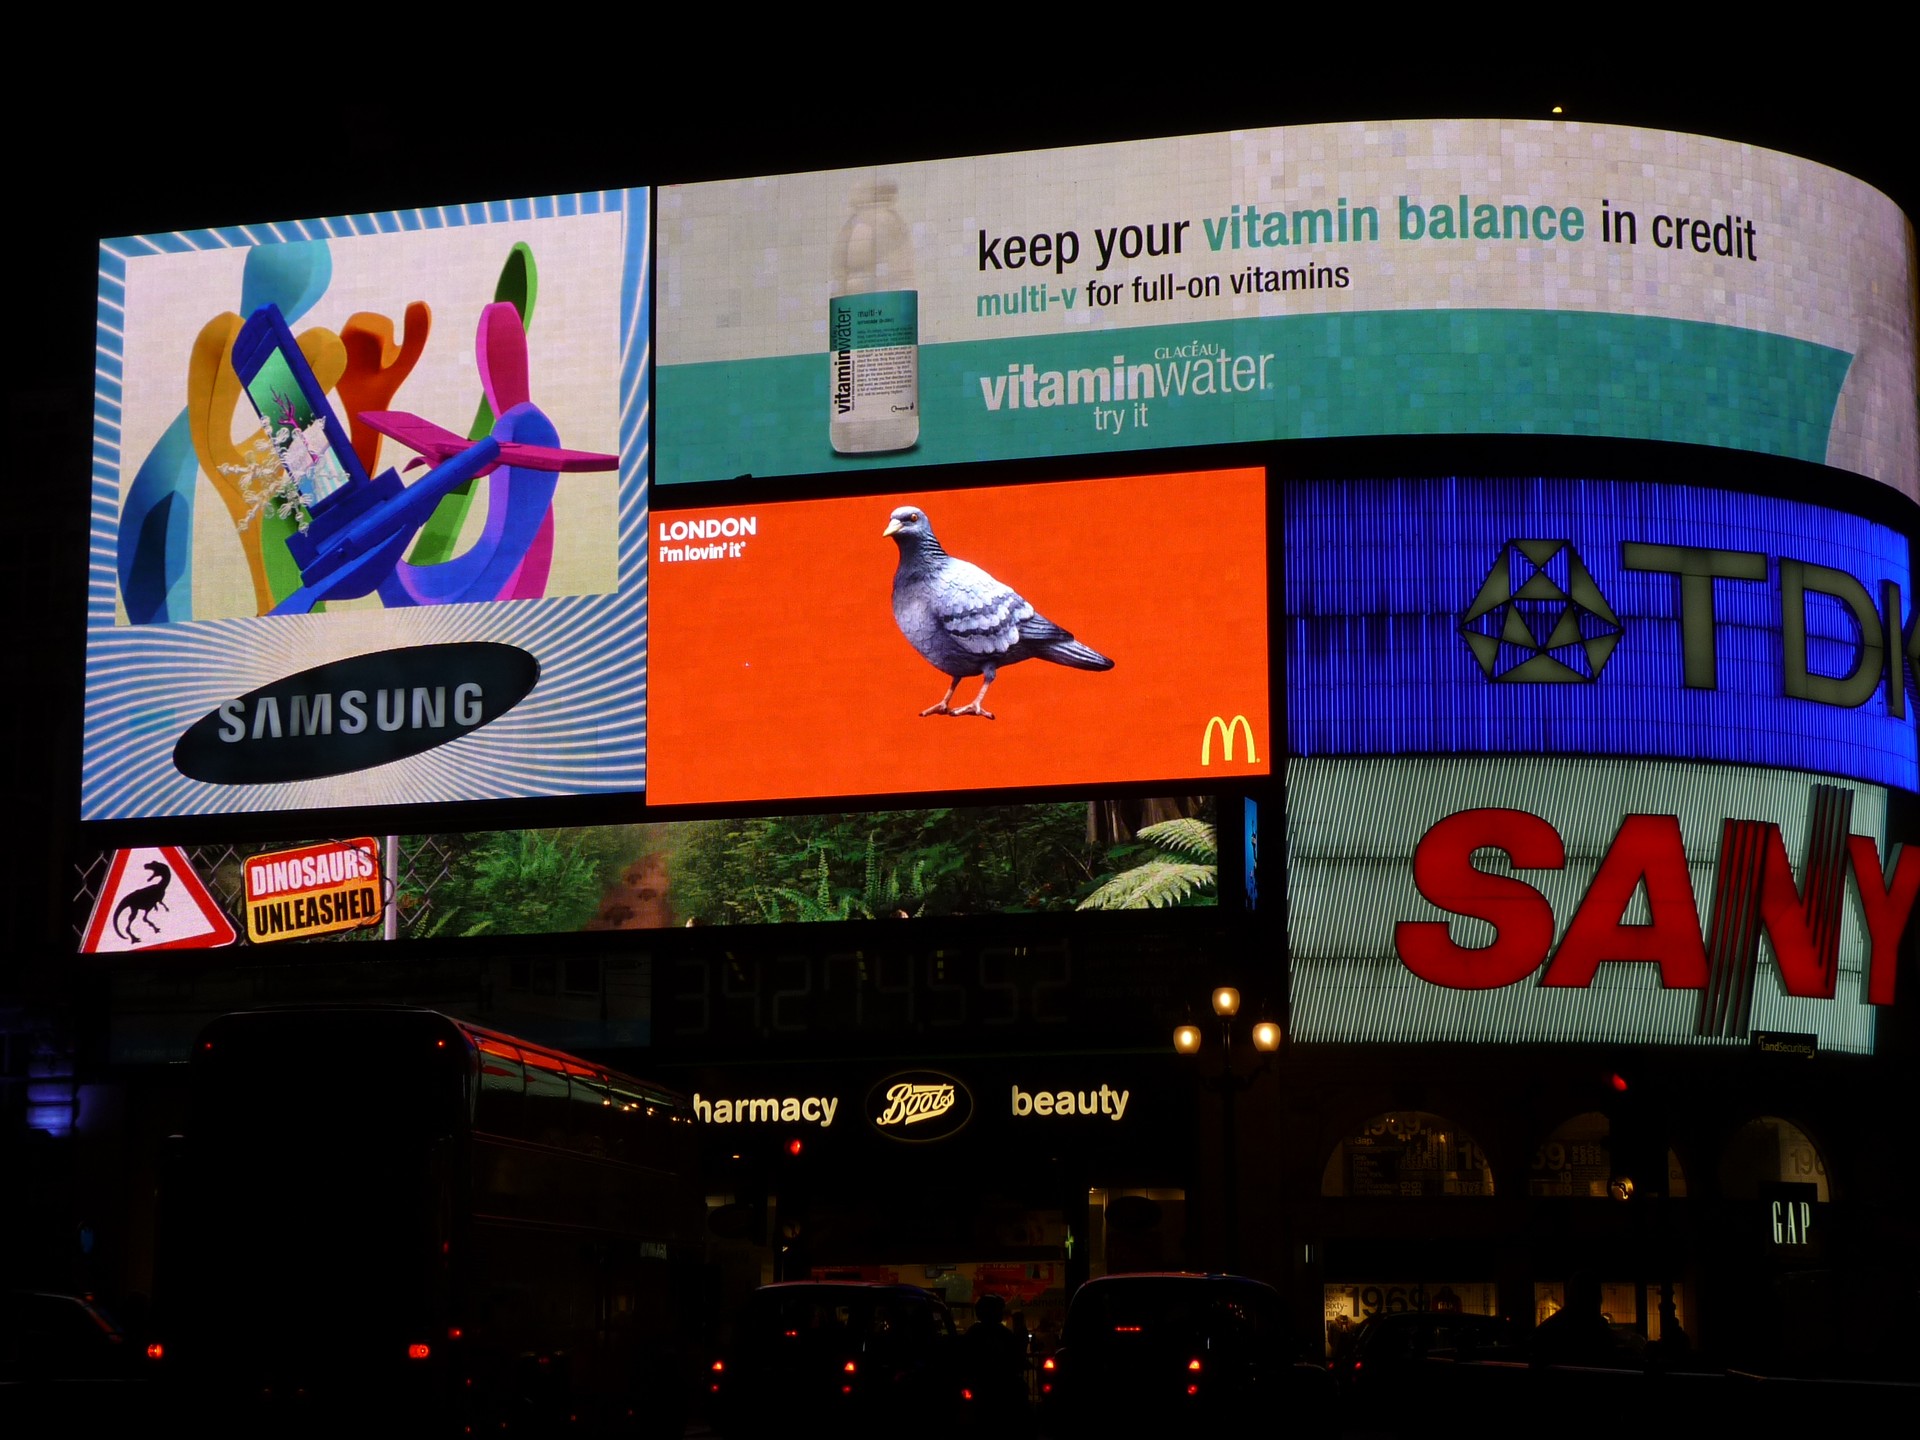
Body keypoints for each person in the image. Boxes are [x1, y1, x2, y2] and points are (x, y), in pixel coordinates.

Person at [960, 1293, 1031, 1431]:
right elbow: (1015, 1359)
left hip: (981, 1388)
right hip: (1001, 1389)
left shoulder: (974, 1333)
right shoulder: (1004, 1334)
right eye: (999, 1310)